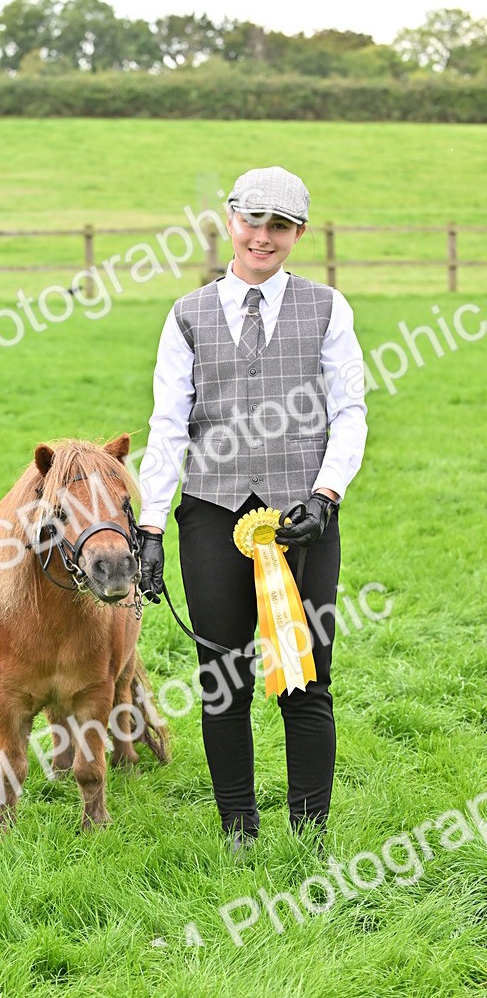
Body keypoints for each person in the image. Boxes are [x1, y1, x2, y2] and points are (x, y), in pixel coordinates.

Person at [136, 166, 368, 854]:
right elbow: (168, 425)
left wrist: (325, 498)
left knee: (307, 680)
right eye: (252, 221)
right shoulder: (186, 315)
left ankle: (309, 836)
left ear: (298, 233)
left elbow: (350, 412)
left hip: (305, 515)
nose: (262, 237)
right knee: (223, 682)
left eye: (279, 226)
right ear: (229, 221)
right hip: (212, 512)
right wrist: (151, 523)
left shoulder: (328, 307)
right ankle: (239, 832)